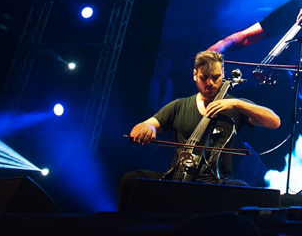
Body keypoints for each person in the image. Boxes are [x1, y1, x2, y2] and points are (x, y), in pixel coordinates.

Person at [118, 50, 280, 210]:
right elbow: (139, 128)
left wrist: (237, 104)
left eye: (215, 77)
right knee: (131, 179)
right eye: (204, 77)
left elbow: (274, 121)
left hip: (217, 184)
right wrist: (147, 128)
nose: (210, 83)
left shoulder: (235, 106)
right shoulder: (179, 106)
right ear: (195, 75)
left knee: (241, 188)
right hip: (177, 179)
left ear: (223, 74)